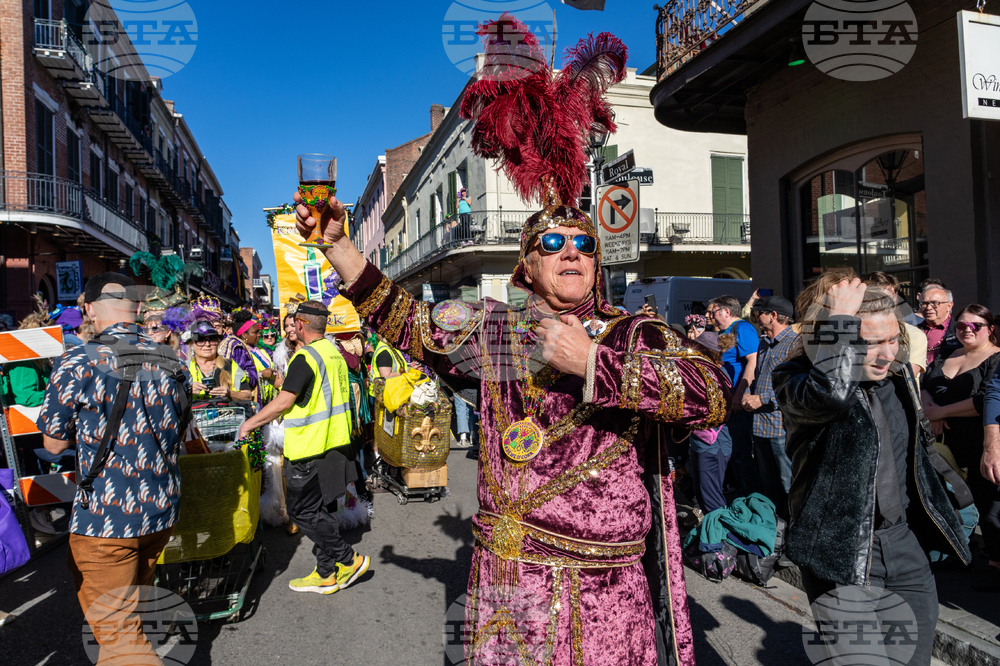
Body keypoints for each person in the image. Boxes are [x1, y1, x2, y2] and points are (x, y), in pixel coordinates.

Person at [290, 19, 729, 663]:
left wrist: (596, 364)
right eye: (553, 244)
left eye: (585, 244)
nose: (571, 253)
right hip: (511, 586)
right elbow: (409, 323)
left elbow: (711, 394)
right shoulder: (495, 332)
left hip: (608, 592)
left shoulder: (637, 333)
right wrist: (338, 247)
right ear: (529, 266)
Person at [774, 273, 971, 665]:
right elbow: (829, 395)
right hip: (842, 552)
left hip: (904, 548)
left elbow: (916, 449)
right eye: (868, 342)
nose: (885, 353)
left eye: (892, 339)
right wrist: (840, 320)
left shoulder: (897, 379)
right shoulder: (796, 380)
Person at [36, 273, 190, 664]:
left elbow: (53, 444)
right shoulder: (171, 360)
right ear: (138, 308)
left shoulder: (77, 360)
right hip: (160, 509)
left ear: (88, 307)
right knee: (131, 617)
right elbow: (182, 429)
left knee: (121, 644)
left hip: (107, 517)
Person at [238, 301, 370, 595]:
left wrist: (249, 424)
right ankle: (325, 574)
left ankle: (348, 559)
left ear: (299, 324)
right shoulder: (333, 353)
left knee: (301, 512)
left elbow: (284, 401)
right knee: (323, 510)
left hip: (310, 448)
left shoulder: (305, 357)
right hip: (335, 445)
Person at [924, 305, 1000, 591]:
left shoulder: (995, 359)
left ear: (989, 328)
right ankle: (957, 550)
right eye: (961, 326)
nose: (967, 330)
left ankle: (994, 564)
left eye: (975, 326)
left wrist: (940, 413)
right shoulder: (947, 352)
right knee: (947, 500)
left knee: (988, 503)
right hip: (941, 443)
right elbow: (925, 381)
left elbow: (985, 400)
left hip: (978, 441)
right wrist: (929, 409)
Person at [742, 295, 799, 520]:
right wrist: (749, 394)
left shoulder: (795, 343)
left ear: (773, 316)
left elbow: (796, 388)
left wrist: (763, 399)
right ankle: (774, 532)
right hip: (761, 427)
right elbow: (759, 377)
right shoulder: (764, 342)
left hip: (781, 428)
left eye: (760, 313)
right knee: (769, 484)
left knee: (788, 484)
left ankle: (792, 531)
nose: (757, 317)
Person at [707, 294, 760, 496]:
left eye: (713, 312)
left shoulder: (743, 329)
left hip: (738, 401)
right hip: (727, 400)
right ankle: (740, 492)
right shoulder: (725, 331)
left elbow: (752, 362)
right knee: (733, 451)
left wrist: (739, 394)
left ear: (725, 312)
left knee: (742, 452)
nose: (710, 316)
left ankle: (751, 496)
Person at [863, 272, 927, 382]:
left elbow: (905, 378)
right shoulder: (854, 331)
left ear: (896, 296)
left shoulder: (914, 334)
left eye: (892, 340)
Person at [187, 321, 249, 402]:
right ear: (192, 345)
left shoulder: (230, 365)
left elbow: (248, 396)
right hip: (194, 413)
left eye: (212, 340)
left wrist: (230, 393)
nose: (207, 344)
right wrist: (187, 391)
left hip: (228, 413)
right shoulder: (184, 368)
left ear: (217, 343)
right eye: (201, 340)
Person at [919, 285, 959, 367]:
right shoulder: (913, 329)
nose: (928, 307)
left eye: (935, 303)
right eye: (924, 303)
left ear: (949, 306)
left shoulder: (959, 330)